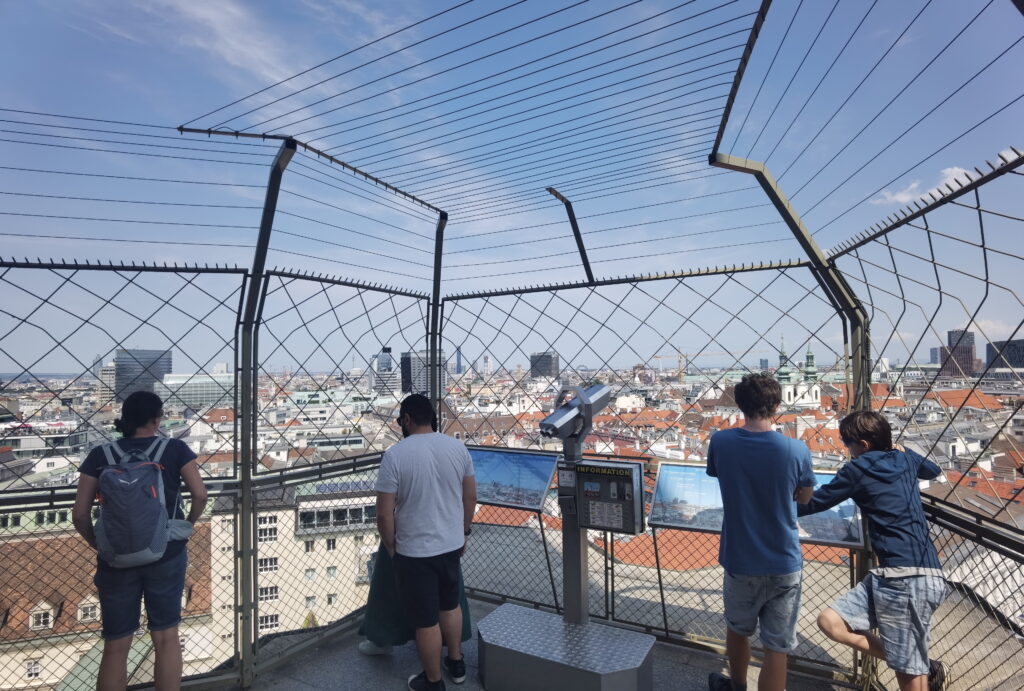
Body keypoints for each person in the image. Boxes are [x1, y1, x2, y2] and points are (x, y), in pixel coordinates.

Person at [797, 410, 949, 691]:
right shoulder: (904, 458)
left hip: (905, 578)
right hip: (896, 575)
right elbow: (934, 471)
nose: (846, 449)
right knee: (830, 622)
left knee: (908, 674)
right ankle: (924, 665)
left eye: (846, 443)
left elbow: (813, 504)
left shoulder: (857, 469)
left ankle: (919, 666)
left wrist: (771, 504)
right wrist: (902, 449)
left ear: (863, 446)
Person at [72, 391, 208, 691]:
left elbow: (80, 514)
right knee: (166, 637)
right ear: (157, 419)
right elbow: (200, 494)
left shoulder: (100, 455)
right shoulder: (174, 449)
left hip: (116, 556)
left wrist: (100, 543)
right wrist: (187, 525)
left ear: (126, 420)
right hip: (166, 552)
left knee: (116, 645)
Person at [707, 373, 816, 691]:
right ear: (777, 406)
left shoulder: (721, 442)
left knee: (738, 630)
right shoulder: (796, 449)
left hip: (740, 556)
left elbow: (718, 473)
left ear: (739, 404)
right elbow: (805, 497)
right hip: (783, 559)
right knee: (777, 644)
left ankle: (737, 685)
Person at [376, 394, 477, 691]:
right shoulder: (458, 447)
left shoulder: (395, 456)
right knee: (450, 606)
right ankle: (456, 663)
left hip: (415, 550)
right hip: (450, 544)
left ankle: (433, 682)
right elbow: (470, 496)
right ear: (432, 417)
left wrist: (392, 545)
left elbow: (384, 514)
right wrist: (464, 532)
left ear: (407, 420)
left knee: (426, 621)